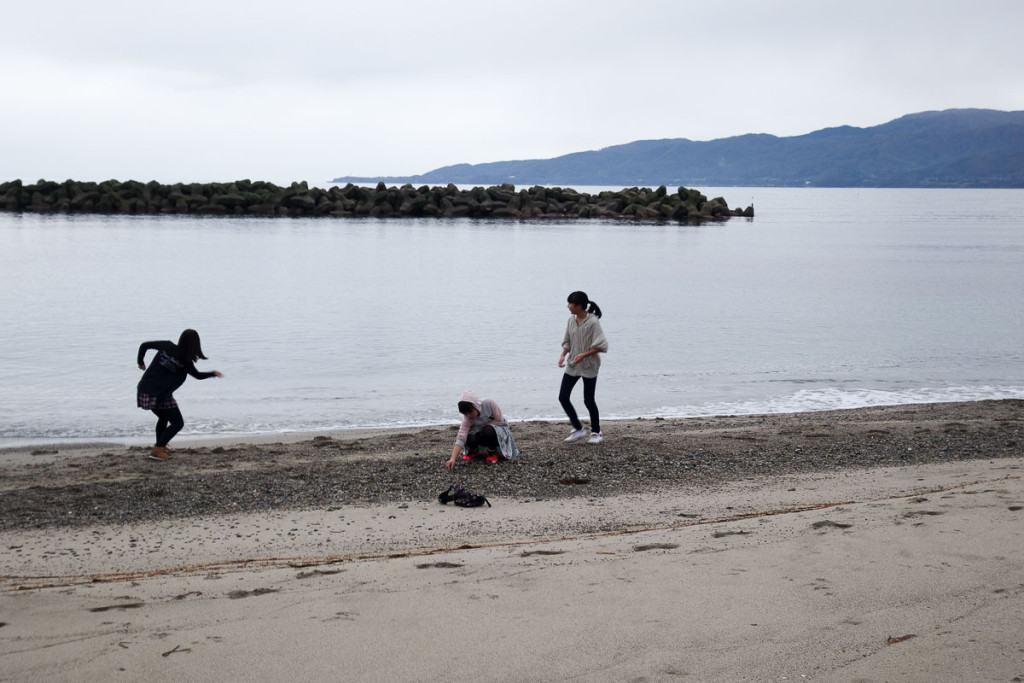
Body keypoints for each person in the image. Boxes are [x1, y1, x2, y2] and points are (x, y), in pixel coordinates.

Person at [137, 329, 222, 461]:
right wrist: (213, 373)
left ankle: (161, 445)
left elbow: (144, 345)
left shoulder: (167, 346)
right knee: (178, 423)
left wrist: (140, 361)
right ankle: (157, 450)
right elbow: (198, 376)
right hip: (158, 394)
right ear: (195, 345)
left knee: (164, 418)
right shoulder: (186, 361)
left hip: (146, 389)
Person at [557, 291, 608, 444]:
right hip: (573, 364)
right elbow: (568, 341)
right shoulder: (571, 320)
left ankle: (596, 432)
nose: (568, 306)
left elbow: (602, 345)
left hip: (589, 366)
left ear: (579, 306)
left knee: (588, 400)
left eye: (570, 303)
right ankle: (579, 429)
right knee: (563, 397)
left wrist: (584, 355)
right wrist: (562, 355)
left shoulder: (593, 322)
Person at [446, 390, 520, 470]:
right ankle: (474, 450)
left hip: (497, 433)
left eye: (470, 412)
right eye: (465, 414)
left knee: (487, 430)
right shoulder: (467, 417)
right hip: (481, 435)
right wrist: (452, 458)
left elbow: (499, 420)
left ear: (475, 406)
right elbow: (461, 436)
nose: (468, 415)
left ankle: (492, 452)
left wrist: (479, 427)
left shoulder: (489, 403)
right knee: (467, 435)